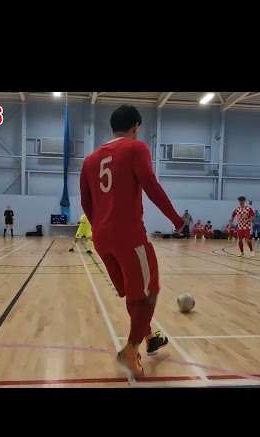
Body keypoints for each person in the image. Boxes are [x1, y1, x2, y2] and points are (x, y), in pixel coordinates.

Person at [80, 104, 184, 376]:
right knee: (149, 291)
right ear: (136, 126)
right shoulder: (136, 149)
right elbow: (150, 184)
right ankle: (130, 349)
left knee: (133, 291)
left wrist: (100, 228)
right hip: (129, 235)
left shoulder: (90, 160)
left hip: (101, 237)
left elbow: (86, 201)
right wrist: (177, 219)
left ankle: (149, 336)